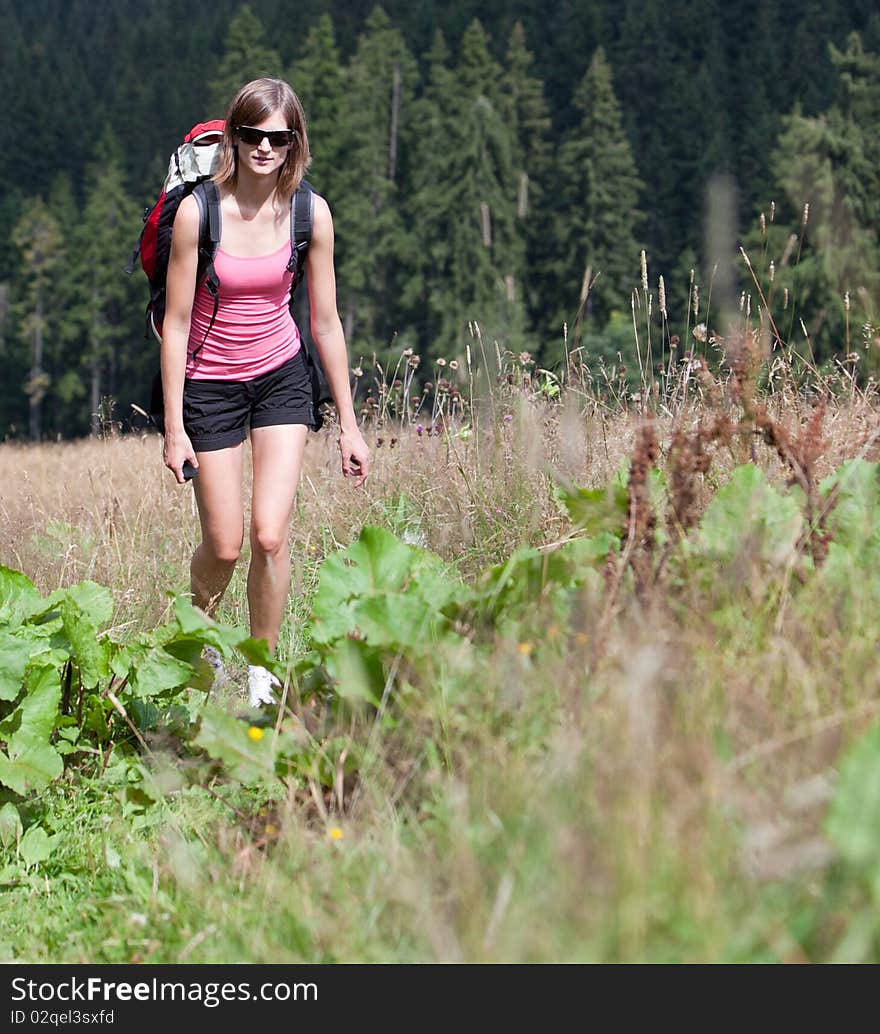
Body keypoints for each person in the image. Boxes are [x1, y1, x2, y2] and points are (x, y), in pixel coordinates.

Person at [161, 77, 370, 707]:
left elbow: (325, 322)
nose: (264, 147)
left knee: (270, 535)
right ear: (234, 133)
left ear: (294, 143)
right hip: (210, 387)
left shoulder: (311, 213)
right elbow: (173, 325)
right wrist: (174, 427)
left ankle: (261, 676)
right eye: (252, 133)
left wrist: (350, 424)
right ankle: (196, 634)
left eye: (278, 137)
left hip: (281, 376)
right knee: (224, 544)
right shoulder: (199, 212)